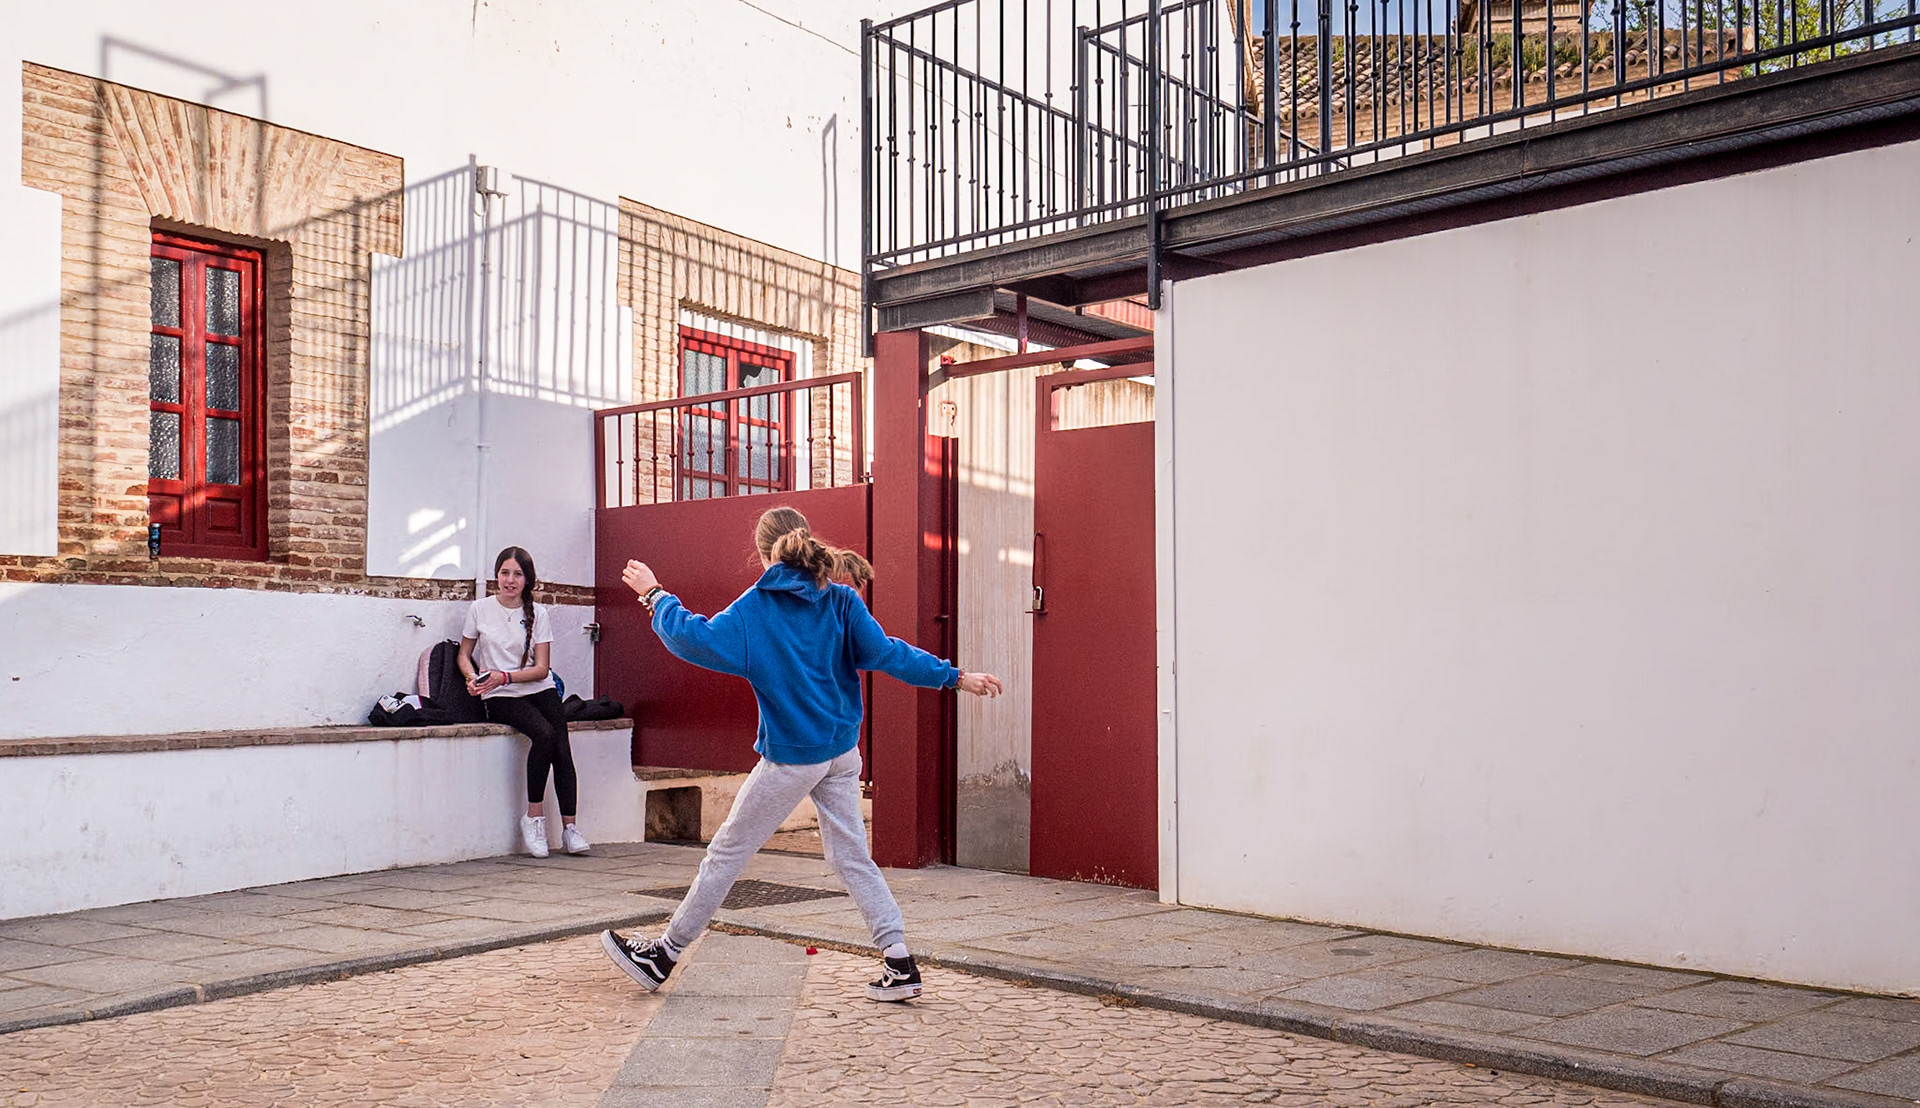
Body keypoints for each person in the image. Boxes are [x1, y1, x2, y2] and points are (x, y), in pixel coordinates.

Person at [600, 506, 1002, 1002]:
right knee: (852, 855)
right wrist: (957, 677)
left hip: (792, 758)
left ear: (766, 552)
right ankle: (900, 962)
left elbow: (692, 637)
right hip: (841, 753)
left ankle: (664, 955)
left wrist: (655, 594)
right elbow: (892, 653)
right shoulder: (841, 602)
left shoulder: (758, 607)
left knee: (727, 852)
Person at [458, 546, 590, 859]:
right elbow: (464, 654)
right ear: (497, 575)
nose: (510, 580)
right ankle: (533, 819)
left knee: (561, 746)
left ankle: (571, 829)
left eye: (517, 574)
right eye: (505, 572)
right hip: (499, 694)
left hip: (533, 686)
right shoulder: (480, 609)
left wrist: (504, 675)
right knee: (543, 734)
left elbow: (542, 669)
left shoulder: (538, 613)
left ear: (527, 580)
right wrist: (471, 679)